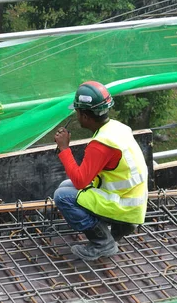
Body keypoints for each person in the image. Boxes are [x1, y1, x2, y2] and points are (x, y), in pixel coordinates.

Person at [53, 81, 148, 261]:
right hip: (129, 201)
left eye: (78, 112)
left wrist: (64, 149)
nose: (76, 115)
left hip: (126, 207)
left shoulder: (101, 144)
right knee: (67, 185)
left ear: (85, 116)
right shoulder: (115, 128)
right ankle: (113, 230)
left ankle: (103, 243)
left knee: (63, 196)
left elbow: (81, 180)